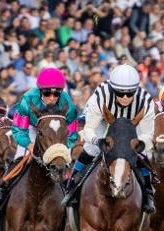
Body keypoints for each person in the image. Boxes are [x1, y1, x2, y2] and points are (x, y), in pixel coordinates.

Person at [61, 64, 156, 213]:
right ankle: (71, 187)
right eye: (120, 93)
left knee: (142, 154)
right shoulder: (100, 96)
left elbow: (149, 134)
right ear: (112, 89)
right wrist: (97, 141)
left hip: (131, 122)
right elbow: (89, 130)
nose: (125, 98)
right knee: (91, 149)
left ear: (136, 90)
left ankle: (148, 192)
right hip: (104, 120)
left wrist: (139, 143)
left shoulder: (145, 101)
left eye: (130, 94)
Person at [0, 67, 78, 214]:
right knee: (18, 158)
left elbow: (72, 132)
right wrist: (28, 144)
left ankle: (70, 195)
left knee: (64, 162)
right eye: (47, 93)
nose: (52, 97)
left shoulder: (68, 103)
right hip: (31, 129)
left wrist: (63, 148)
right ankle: (0, 195)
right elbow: (18, 129)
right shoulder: (28, 99)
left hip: (56, 132)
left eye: (56, 94)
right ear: (40, 90)